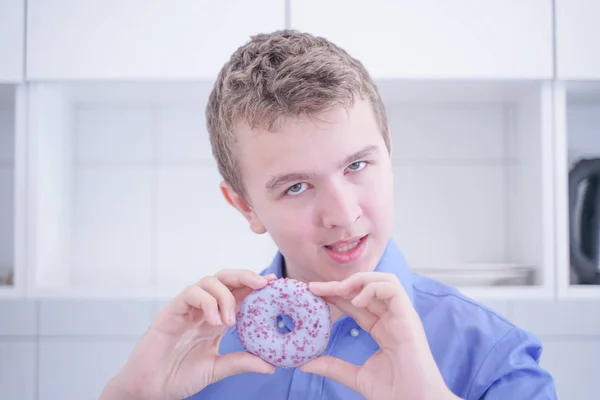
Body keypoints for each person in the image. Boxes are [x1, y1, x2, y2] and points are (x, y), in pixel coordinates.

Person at [99, 30, 557, 400]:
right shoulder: (193, 359)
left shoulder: (498, 362)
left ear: (389, 152)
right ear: (244, 205)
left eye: (357, 165)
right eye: (296, 187)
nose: (342, 214)